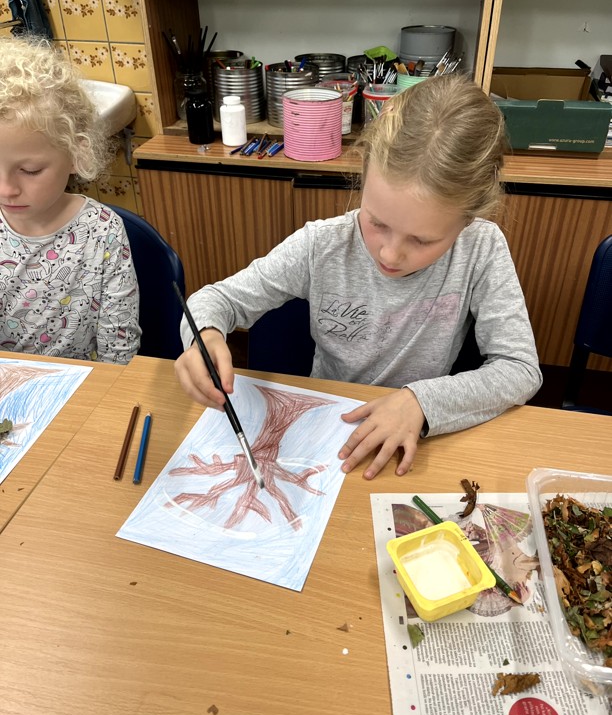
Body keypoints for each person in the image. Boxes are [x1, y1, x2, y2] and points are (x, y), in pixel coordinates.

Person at [175, 75, 542, 479]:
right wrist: (205, 336)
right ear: (363, 178)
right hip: (325, 437)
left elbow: (519, 369)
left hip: (413, 444)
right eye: (377, 222)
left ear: (468, 219)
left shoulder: (481, 247)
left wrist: (420, 402)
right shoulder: (322, 245)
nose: (390, 254)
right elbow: (216, 300)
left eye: (422, 240)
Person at [0, 35, 140, 363]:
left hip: (83, 383)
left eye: (30, 170)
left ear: (77, 154)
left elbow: (118, 347)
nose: (6, 189)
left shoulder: (103, 231)